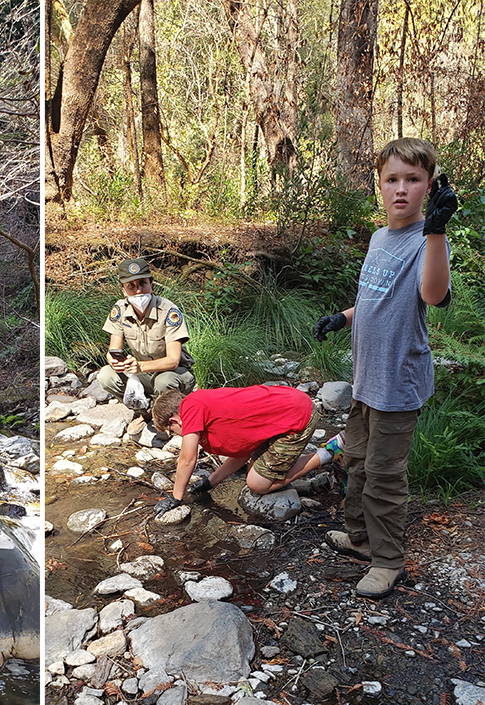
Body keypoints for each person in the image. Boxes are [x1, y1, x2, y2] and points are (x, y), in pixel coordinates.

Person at [313, 137, 455, 599]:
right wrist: (344, 318)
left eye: (413, 180)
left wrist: (436, 230)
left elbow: (432, 295)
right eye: (392, 179)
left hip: (398, 381)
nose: (401, 189)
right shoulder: (379, 238)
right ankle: (360, 539)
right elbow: (374, 299)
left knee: (385, 475)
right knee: (355, 461)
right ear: (378, 184)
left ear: (428, 186)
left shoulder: (427, 241)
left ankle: (389, 560)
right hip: (366, 380)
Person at [150, 385, 344, 517]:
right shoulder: (203, 409)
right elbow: (241, 452)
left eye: (172, 432)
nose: (177, 436)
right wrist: (210, 482)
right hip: (284, 411)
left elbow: (187, 459)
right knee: (255, 471)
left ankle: (330, 451)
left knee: (257, 484)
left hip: (297, 417)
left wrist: (175, 496)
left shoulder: (190, 407)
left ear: (175, 421)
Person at [98, 257, 195, 437]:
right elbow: (113, 350)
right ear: (123, 289)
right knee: (105, 375)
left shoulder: (168, 311)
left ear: (152, 284)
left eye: (143, 283)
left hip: (175, 374)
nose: (138, 290)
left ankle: (167, 420)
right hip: (142, 372)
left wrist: (140, 367)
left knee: (164, 381)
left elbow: (173, 361)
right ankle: (146, 413)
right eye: (131, 286)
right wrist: (113, 361)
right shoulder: (119, 310)